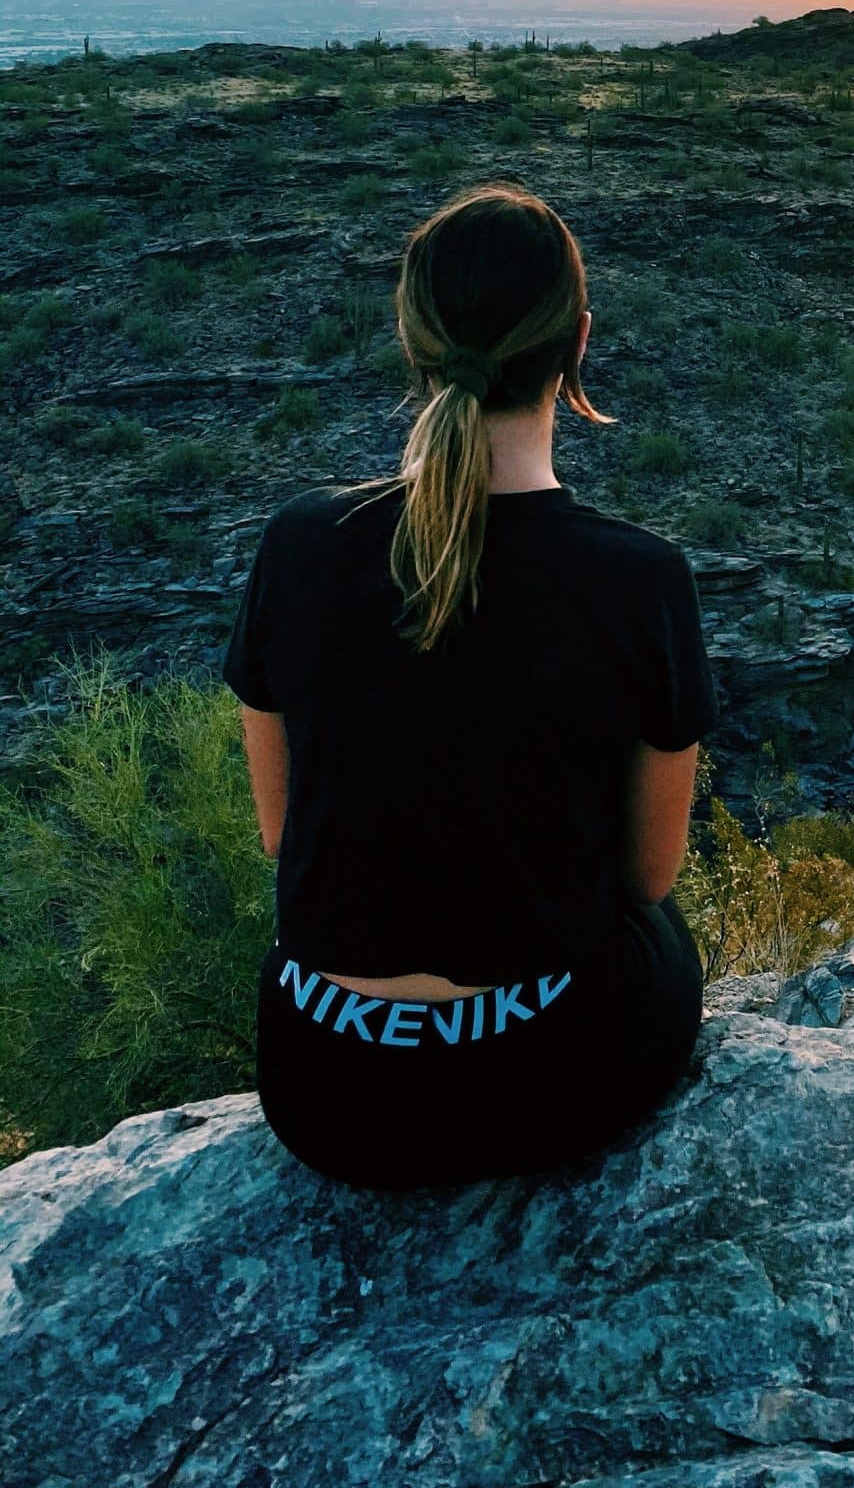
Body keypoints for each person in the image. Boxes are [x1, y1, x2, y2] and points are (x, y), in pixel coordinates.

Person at [225, 182, 715, 1191]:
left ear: (413, 341)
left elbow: (283, 835)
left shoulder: (299, 542)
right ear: (578, 341)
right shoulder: (639, 579)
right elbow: (647, 877)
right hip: (542, 1077)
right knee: (662, 932)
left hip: (327, 1085)